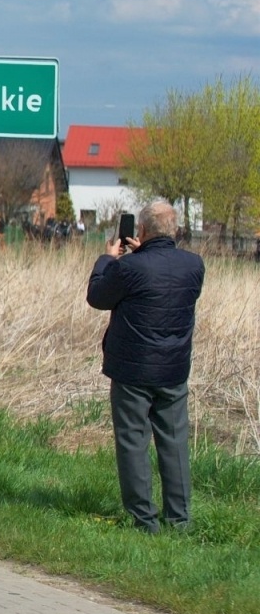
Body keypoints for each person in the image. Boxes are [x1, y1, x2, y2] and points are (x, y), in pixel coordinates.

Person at [86, 200, 205, 533]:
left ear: (141, 230)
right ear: (175, 230)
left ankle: (144, 520)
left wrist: (108, 258)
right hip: (173, 369)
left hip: (133, 371)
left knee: (133, 442)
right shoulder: (194, 265)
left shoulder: (129, 268)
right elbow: (164, 280)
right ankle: (179, 520)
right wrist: (143, 253)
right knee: (174, 442)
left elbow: (97, 296)